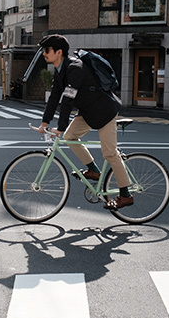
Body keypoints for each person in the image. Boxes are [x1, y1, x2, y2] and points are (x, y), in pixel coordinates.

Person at [37, 34, 132, 210]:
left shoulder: (75, 68)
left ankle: (125, 195)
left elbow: (67, 99)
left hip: (104, 112)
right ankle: (94, 170)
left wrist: (60, 127)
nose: (44, 53)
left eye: (46, 50)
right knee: (71, 136)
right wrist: (44, 122)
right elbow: (54, 98)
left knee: (110, 153)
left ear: (59, 52)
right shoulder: (60, 71)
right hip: (88, 112)